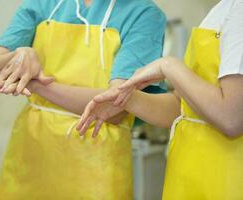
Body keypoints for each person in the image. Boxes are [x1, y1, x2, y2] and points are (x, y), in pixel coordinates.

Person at [0, 0, 166, 199]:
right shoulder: (42, 4)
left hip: (97, 164)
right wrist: (20, 55)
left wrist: (35, 85)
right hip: (32, 155)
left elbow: (115, 104)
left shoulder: (143, 14)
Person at [77, 0, 243, 199]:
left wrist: (168, 66)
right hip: (195, 174)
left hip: (224, 179)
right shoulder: (224, 9)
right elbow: (180, 107)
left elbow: (231, 117)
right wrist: (125, 100)